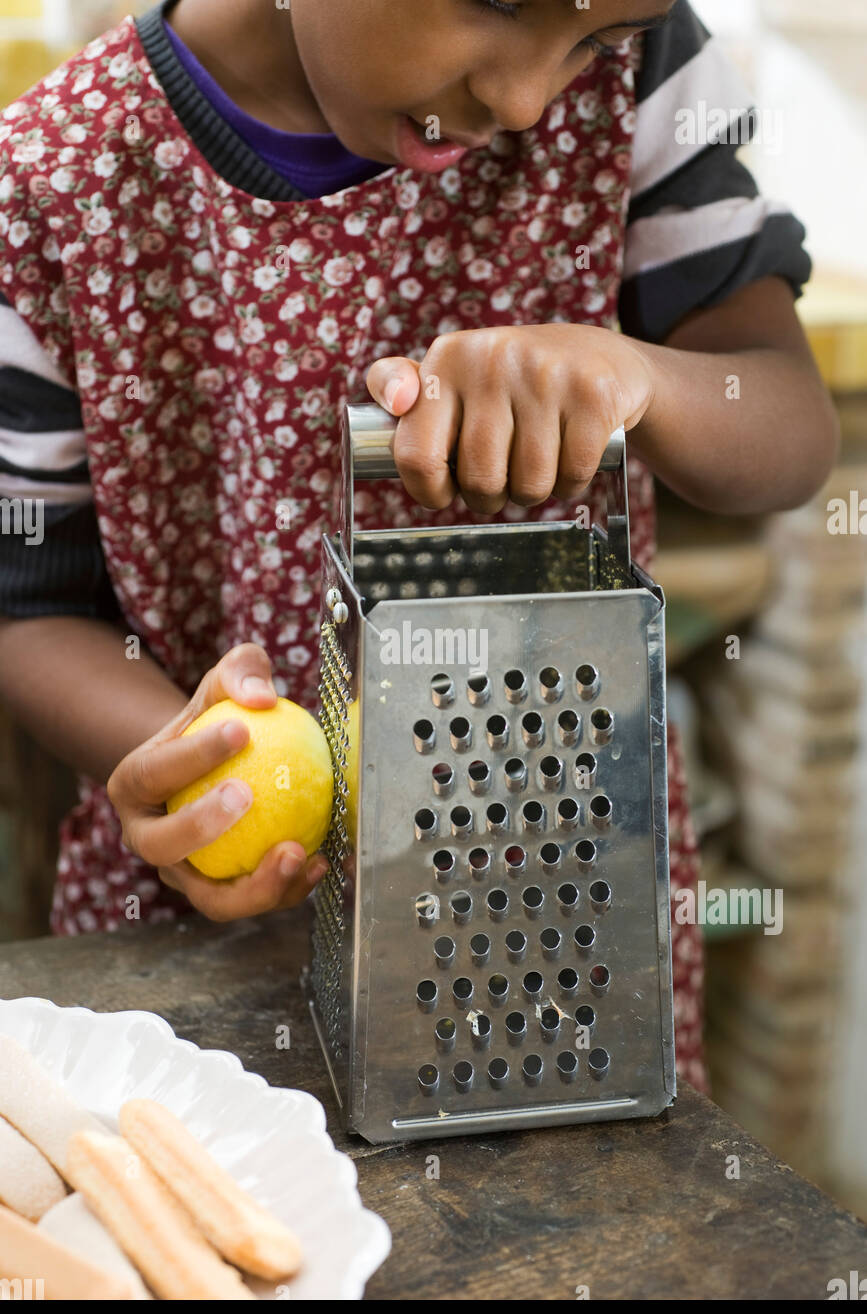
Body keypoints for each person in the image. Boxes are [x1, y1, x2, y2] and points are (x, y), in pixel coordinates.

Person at [0, 0, 838, 1093]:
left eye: (594, 40)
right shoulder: (54, 178)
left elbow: (785, 432)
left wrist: (642, 377)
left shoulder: (646, 81)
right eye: (495, 2)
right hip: (210, 930)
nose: (531, 99)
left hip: (557, 916)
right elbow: (28, 602)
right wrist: (186, 763)